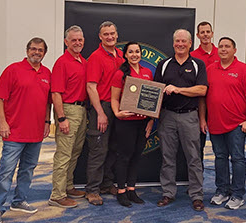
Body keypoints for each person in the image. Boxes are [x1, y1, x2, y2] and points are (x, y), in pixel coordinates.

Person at [0, 37, 51, 223]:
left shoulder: (47, 73)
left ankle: (19, 201)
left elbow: (48, 102)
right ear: (27, 51)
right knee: (6, 171)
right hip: (14, 132)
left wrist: (48, 121)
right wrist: (2, 122)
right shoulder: (13, 70)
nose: (36, 52)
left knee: (28, 169)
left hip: (36, 132)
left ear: (44, 53)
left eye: (40, 50)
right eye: (33, 49)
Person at [199, 37, 246, 210]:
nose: (223, 49)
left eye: (227, 46)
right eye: (221, 46)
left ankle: (238, 194)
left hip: (237, 125)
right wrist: (203, 119)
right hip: (215, 124)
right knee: (220, 158)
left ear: (235, 50)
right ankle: (222, 190)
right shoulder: (210, 69)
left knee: (238, 158)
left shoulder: (244, 70)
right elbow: (203, 97)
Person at [154, 29, 207, 212]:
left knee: (194, 158)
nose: (180, 44)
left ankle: (197, 195)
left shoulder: (198, 64)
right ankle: (168, 192)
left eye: (184, 41)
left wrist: (178, 89)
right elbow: (155, 92)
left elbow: (202, 90)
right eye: (177, 41)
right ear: (173, 43)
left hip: (189, 116)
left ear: (190, 43)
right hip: (167, 116)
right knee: (167, 157)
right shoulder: (164, 64)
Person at [111, 41, 154, 207]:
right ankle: (121, 191)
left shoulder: (147, 73)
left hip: (142, 123)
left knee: (136, 156)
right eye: (131, 52)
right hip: (125, 123)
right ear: (126, 55)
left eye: (137, 51)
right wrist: (117, 113)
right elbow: (114, 98)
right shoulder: (119, 74)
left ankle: (131, 189)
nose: (134, 54)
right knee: (124, 157)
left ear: (141, 54)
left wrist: (150, 121)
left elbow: (152, 100)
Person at [85, 21, 124, 205]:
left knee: (114, 149)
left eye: (112, 33)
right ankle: (92, 190)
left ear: (117, 35)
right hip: (102, 107)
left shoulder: (121, 56)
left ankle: (106, 184)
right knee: (98, 151)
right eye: (106, 34)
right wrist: (100, 113)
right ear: (100, 37)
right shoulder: (96, 57)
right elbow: (91, 87)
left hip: (118, 108)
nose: (110, 37)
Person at [48, 25, 87, 208]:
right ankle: (57, 195)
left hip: (81, 110)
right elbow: (56, 93)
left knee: (75, 152)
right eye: (73, 40)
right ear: (66, 42)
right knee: (63, 154)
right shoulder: (62, 62)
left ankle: (68, 186)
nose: (77, 43)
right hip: (68, 110)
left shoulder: (83, 61)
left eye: (80, 39)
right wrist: (61, 118)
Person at [190, 21, 220, 166]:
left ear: (212, 34)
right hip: (197, 106)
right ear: (198, 35)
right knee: (197, 146)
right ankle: (197, 181)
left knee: (220, 148)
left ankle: (223, 184)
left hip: (217, 106)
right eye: (202, 32)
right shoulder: (192, 56)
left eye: (208, 32)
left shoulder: (221, 54)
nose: (205, 35)